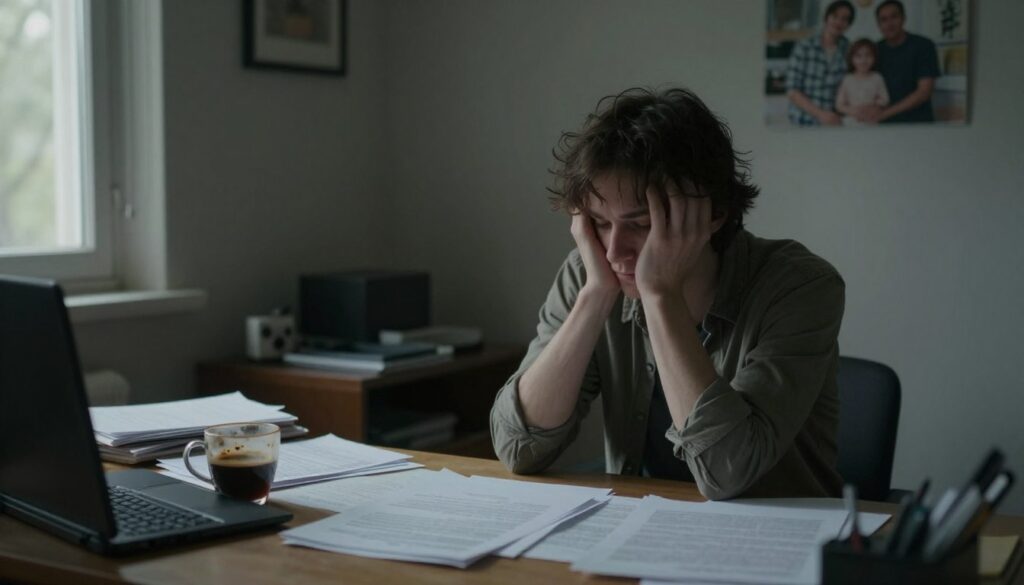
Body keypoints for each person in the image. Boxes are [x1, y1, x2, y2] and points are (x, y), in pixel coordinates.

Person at [490, 87, 846, 500]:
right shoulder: (591, 274)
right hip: (641, 525)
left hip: (775, 532)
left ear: (712, 213)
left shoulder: (801, 286)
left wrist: (660, 294)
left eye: (641, 224)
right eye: (600, 223)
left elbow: (726, 471)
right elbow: (518, 448)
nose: (614, 251)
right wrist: (594, 297)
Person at [861, 0, 941, 123]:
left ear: (903, 18)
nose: (889, 24)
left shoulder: (923, 45)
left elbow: (924, 92)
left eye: (894, 17)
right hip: (882, 126)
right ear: (879, 25)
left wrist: (885, 114)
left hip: (918, 124)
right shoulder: (874, 50)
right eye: (883, 20)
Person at [785, 0, 855, 126]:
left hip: (835, 123)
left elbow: (851, 88)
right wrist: (821, 114)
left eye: (844, 19)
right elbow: (792, 90)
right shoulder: (804, 46)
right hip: (803, 121)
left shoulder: (850, 49)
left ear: (849, 25)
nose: (839, 22)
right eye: (835, 16)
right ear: (826, 18)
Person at [835, 38, 890, 126]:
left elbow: (885, 99)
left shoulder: (877, 78)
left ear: (874, 58)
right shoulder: (848, 79)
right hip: (851, 121)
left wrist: (873, 107)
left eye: (868, 55)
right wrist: (854, 111)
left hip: (871, 119)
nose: (863, 60)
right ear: (852, 59)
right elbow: (839, 105)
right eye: (858, 56)